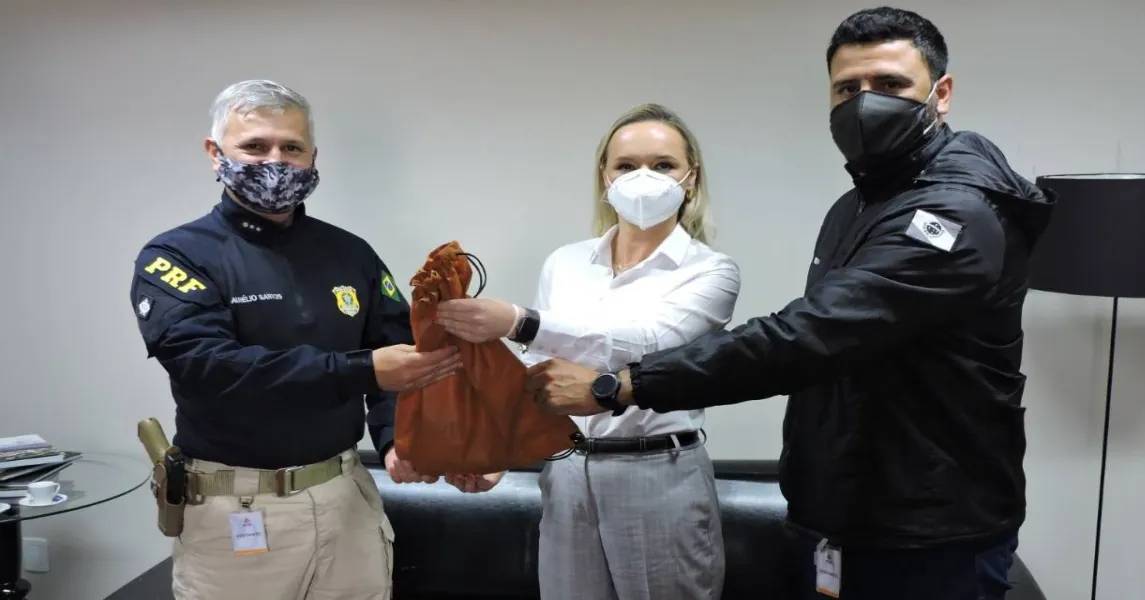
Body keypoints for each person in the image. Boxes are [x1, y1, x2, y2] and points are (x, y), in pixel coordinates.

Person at [528, 8, 1057, 600]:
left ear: (942, 93)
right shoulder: (856, 206)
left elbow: (810, 337)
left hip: (931, 530)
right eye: (847, 88)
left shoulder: (954, 213)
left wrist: (616, 386)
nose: (865, 103)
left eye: (890, 84)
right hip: (848, 514)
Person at [128, 79, 462, 600]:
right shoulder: (176, 256)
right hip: (238, 507)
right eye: (255, 146)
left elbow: (400, 351)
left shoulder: (350, 252)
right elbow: (209, 366)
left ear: (312, 157)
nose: (275, 162)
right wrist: (361, 369)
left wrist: (398, 439)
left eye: (291, 148)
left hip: (346, 496)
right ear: (215, 153)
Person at [433, 103, 741, 600]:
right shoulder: (567, 262)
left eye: (663, 165)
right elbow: (539, 372)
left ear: (691, 178)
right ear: (605, 177)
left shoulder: (711, 270)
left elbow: (646, 340)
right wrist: (500, 449)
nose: (643, 178)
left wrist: (522, 322)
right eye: (626, 165)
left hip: (658, 473)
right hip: (568, 471)